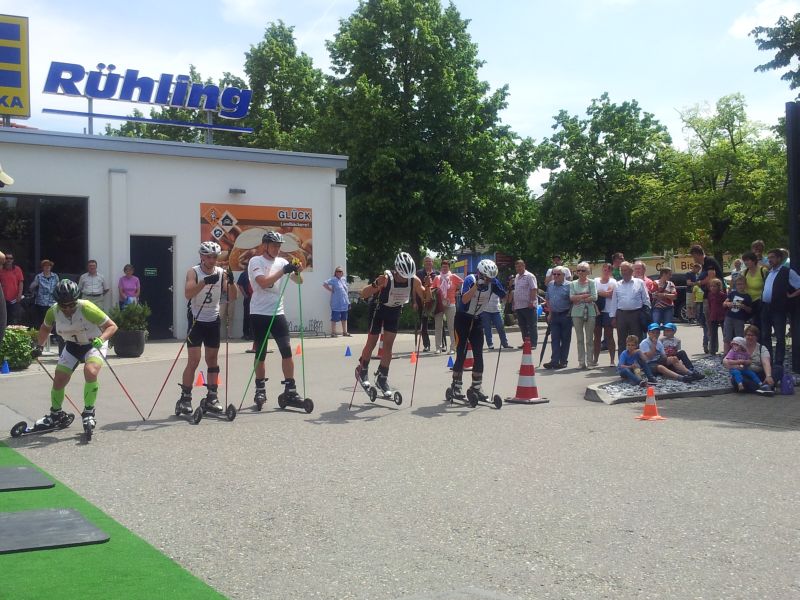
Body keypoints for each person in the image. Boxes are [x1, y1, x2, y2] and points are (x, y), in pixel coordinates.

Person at [29, 279, 118, 433]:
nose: (68, 309)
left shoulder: (87, 307)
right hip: (72, 345)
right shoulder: (53, 311)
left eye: (72, 305)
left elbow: (112, 326)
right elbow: (45, 328)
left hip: (93, 343)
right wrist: (39, 346)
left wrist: (102, 339)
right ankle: (56, 414)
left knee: (90, 371)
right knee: (59, 378)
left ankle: (89, 412)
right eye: (64, 306)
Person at [176, 242, 237, 415]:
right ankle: (185, 398)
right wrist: (204, 282)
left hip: (213, 320)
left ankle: (212, 397)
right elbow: (188, 294)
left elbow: (233, 297)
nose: (212, 260)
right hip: (196, 320)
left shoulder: (221, 273)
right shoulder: (194, 272)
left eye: (214, 257)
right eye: (208, 257)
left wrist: (231, 283)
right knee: (194, 360)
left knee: (212, 360)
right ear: (202, 257)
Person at [355, 252, 425, 394]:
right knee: (372, 341)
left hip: (394, 310)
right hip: (379, 309)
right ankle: (362, 369)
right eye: (403, 276)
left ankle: (382, 377)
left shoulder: (414, 280)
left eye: (408, 277)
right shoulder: (387, 278)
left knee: (388, 345)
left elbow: (425, 296)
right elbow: (363, 293)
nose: (405, 279)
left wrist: (428, 288)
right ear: (397, 270)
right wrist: (376, 284)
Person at [248, 231, 304, 407]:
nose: (277, 249)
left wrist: (297, 271)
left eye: (279, 246)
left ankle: (290, 389)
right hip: (259, 313)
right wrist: (283, 271)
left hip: (277, 312)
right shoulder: (255, 261)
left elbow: (299, 281)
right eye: (274, 246)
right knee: (261, 353)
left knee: (286, 350)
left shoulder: (282, 262)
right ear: (265, 246)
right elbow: (263, 283)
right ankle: (260, 389)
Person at [448, 259, 498, 400]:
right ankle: (456, 386)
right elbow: (464, 299)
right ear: (480, 274)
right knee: (461, 353)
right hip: (462, 319)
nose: (488, 281)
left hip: (477, 320)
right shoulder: (470, 280)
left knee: (478, 354)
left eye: (491, 278)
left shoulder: (493, 282)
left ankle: (476, 387)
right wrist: (477, 286)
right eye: (486, 278)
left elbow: (505, 296)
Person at [760, 247, 800, 367]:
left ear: (779, 258)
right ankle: (768, 361)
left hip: (778, 309)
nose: (769, 260)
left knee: (779, 337)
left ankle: (778, 362)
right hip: (766, 307)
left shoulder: (787, 272)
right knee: (765, 335)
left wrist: (791, 295)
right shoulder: (769, 272)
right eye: (768, 257)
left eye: (772, 257)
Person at [607, 261, 650, 356]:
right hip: (621, 315)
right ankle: (622, 361)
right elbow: (614, 302)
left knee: (637, 339)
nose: (623, 272)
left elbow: (646, 299)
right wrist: (613, 317)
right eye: (622, 270)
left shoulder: (639, 282)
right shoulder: (617, 284)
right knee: (622, 339)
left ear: (631, 271)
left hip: (636, 314)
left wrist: (646, 314)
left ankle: (637, 360)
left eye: (625, 270)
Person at [722, 324, 776, 393]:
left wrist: (768, 376)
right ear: (745, 336)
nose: (750, 337)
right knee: (735, 380)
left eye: (752, 335)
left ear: (757, 337)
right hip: (744, 373)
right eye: (748, 335)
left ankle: (762, 386)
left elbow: (766, 363)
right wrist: (737, 364)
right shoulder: (738, 346)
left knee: (778, 369)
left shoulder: (761, 348)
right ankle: (763, 388)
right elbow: (725, 361)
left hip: (759, 373)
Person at [569, 262, 598, 369]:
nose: (580, 272)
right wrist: (585, 296)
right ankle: (581, 362)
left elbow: (594, 297)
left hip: (590, 312)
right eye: (578, 270)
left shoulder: (592, 282)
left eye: (583, 270)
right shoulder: (573, 283)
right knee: (579, 339)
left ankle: (590, 362)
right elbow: (571, 297)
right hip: (576, 313)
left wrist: (578, 297)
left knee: (589, 338)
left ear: (588, 272)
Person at [432, 259, 463, 354]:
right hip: (439, 305)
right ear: (441, 268)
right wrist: (435, 290)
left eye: (446, 267)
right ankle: (438, 348)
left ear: (449, 268)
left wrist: (458, 291)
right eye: (443, 267)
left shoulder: (453, 276)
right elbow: (432, 289)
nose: (444, 268)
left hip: (451, 304)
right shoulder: (437, 278)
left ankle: (453, 348)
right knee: (438, 326)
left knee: (452, 327)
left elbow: (463, 283)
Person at [543, 266, 572, 369]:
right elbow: (548, 299)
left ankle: (563, 361)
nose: (555, 276)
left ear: (563, 275)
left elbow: (572, 301)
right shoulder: (550, 284)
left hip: (566, 314)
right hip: (554, 315)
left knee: (565, 339)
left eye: (558, 274)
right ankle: (554, 361)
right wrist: (550, 313)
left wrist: (570, 313)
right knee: (554, 339)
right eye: (554, 274)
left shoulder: (570, 285)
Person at [722, 275, 753, 356]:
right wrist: (728, 303)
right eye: (738, 284)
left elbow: (750, 310)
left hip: (740, 319)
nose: (740, 286)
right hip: (729, 317)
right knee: (727, 337)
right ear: (735, 285)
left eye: (742, 284)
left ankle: (739, 355)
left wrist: (744, 307)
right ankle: (726, 355)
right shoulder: (732, 293)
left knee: (739, 338)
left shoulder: (747, 296)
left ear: (745, 285)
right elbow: (724, 303)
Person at [593, 263, 616, 366]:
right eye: (605, 270)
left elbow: (610, 294)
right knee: (597, 336)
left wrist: (598, 292)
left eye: (608, 270)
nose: (606, 272)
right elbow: (593, 293)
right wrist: (602, 293)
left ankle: (612, 360)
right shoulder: (596, 280)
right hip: (597, 310)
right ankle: (595, 360)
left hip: (608, 311)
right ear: (602, 270)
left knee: (609, 335)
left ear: (611, 271)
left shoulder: (613, 281)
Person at [414, 256, 439, 352]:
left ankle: (440, 344)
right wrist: (414, 302)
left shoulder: (437, 274)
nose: (428, 263)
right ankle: (426, 345)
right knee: (423, 324)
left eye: (430, 261)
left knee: (438, 323)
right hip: (422, 302)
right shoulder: (419, 273)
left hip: (435, 302)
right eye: (426, 261)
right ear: (424, 263)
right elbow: (414, 288)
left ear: (433, 263)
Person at [512, 259, 538, 349]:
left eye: (519, 266)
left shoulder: (529, 276)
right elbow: (516, 291)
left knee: (531, 325)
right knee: (522, 326)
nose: (518, 268)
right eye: (516, 267)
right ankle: (526, 342)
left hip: (528, 305)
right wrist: (514, 304)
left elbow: (534, 289)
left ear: (524, 266)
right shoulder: (516, 277)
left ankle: (533, 344)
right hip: (519, 306)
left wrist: (532, 301)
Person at [481, 272, 510, 350]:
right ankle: (490, 344)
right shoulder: (483, 283)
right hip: (485, 310)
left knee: (500, 327)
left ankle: (505, 343)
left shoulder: (496, 283)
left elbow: (503, 295)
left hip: (496, 310)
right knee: (487, 328)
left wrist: (503, 305)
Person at [30, 259, 59, 328]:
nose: (47, 267)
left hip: (52, 302)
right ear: (42, 267)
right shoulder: (39, 276)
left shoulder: (55, 276)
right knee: (42, 320)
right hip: (41, 303)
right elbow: (31, 287)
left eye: (49, 265)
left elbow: (58, 287)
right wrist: (34, 293)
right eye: (45, 266)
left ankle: (52, 333)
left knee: (52, 320)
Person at [323, 266, 351, 337]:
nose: (339, 272)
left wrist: (348, 302)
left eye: (340, 271)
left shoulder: (343, 279)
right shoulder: (333, 279)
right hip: (336, 303)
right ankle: (333, 333)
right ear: (335, 273)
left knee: (344, 318)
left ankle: (345, 332)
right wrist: (331, 290)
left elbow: (345, 290)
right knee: (334, 318)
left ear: (342, 273)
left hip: (344, 302)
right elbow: (325, 283)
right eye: (337, 271)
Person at [741, 251, 767, 325]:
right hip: (748, 301)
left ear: (754, 260)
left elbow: (768, 286)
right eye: (744, 260)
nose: (745, 262)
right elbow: (740, 287)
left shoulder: (763, 270)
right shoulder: (744, 272)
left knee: (758, 324)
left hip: (760, 302)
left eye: (748, 260)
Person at [0, 250, 23, 325]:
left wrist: (19, 294)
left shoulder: (17, 269)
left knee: (13, 319)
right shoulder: (1, 270)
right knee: (3, 319)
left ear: (13, 260)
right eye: (7, 258)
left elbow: (21, 282)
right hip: (3, 299)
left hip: (14, 299)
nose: (9, 260)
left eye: (11, 258)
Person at [706, 278, 726, 356]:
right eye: (711, 286)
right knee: (713, 334)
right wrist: (709, 316)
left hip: (722, 316)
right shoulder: (710, 295)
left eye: (714, 286)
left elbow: (725, 306)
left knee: (725, 334)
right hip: (713, 316)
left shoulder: (722, 295)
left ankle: (727, 350)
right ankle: (712, 351)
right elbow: (709, 306)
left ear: (719, 287)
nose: (712, 288)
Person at [236, 269, 253, 341]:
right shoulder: (244, 274)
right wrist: (245, 295)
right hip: (248, 298)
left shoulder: (257, 272)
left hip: (257, 299)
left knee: (255, 317)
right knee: (247, 316)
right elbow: (240, 285)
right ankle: (246, 334)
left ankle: (253, 334)